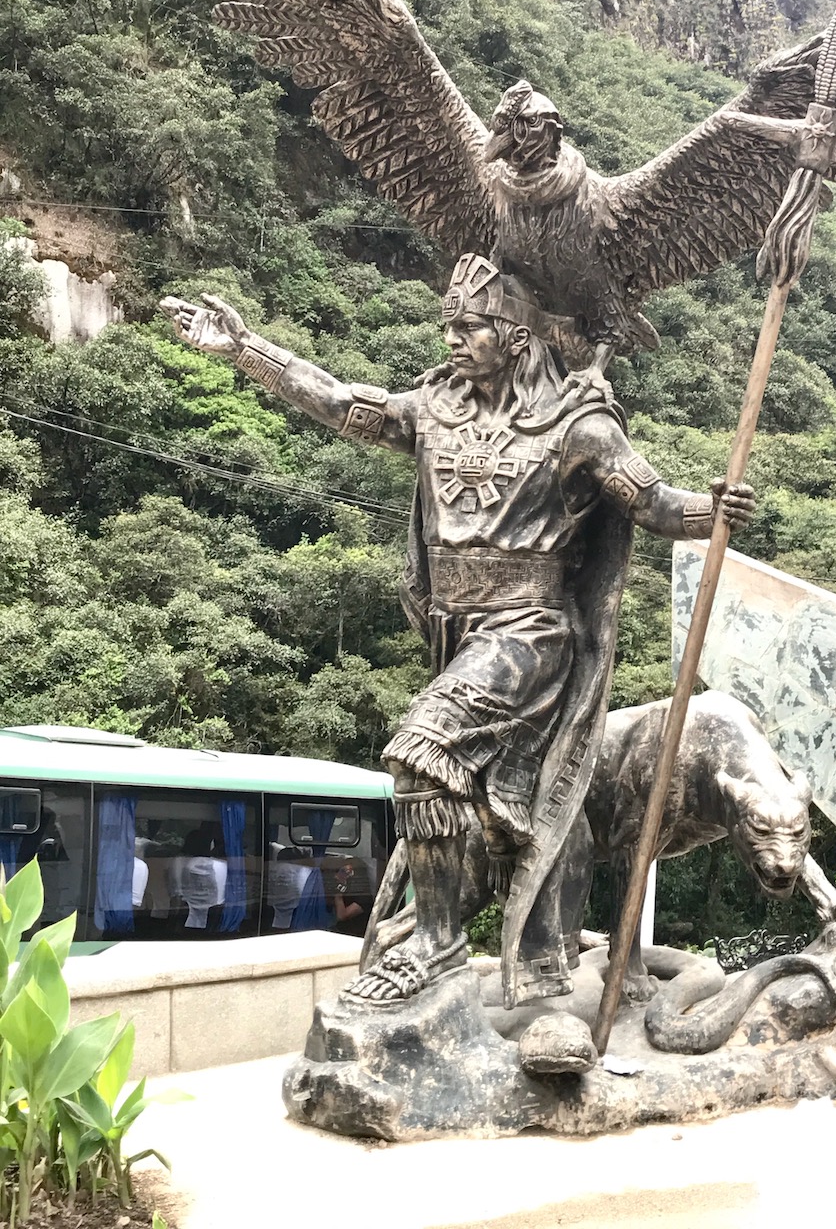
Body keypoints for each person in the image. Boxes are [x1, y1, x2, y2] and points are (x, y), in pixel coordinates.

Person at [162, 256, 754, 1007]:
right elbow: (344, 403)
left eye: (470, 326)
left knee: (420, 752)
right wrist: (248, 350)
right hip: (458, 633)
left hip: (531, 632)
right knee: (491, 800)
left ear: (514, 335)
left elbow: (653, 503)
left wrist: (715, 512)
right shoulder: (435, 409)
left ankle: (440, 945)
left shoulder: (578, 423)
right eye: (448, 326)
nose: (453, 340)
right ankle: (519, 954)